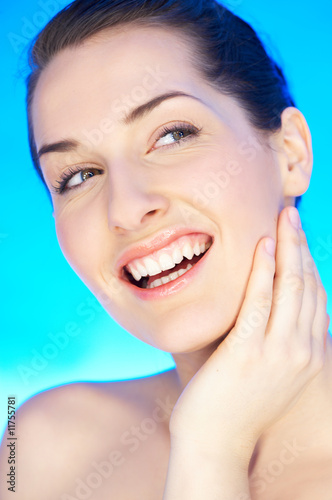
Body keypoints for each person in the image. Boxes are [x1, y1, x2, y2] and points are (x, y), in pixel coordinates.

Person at [1, 0, 331, 498]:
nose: (126, 208)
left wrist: (211, 448)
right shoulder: (38, 445)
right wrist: (211, 442)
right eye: (79, 176)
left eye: (173, 135)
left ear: (290, 153)